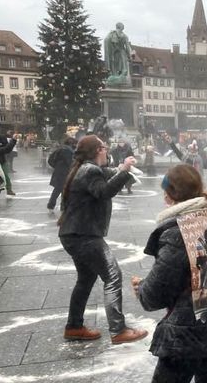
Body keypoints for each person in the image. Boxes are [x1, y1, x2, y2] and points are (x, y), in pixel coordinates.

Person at [131, 164, 207, 383]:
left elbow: (154, 296)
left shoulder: (178, 232)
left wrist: (142, 288)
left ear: (169, 196)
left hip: (187, 332)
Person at [58, 135, 147, 344]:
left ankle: (74, 327)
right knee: (113, 276)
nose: (107, 151)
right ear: (98, 150)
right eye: (105, 148)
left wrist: (124, 169)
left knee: (86, 279)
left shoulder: (86, 168)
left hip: (74, 234)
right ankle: (118, 330)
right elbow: (104, 192)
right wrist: (124, 170)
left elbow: (109, 175)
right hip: (84, 235)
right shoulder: (89, 170)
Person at [47, 136, 77, 212]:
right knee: (62, 190)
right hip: (64, 173)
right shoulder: (68, 151)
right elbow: (69, 163)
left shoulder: (60, 149)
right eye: (74, 144)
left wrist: (56, 166)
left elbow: (50, 160)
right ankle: (60, 207)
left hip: (59, 172)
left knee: (58, 190)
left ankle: (53, 206)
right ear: (71, 144)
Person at [0, 130, 16, 196]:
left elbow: (6, 148)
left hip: (2, 160)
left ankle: (9, 190)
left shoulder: (2, 138)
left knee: (5, 176)